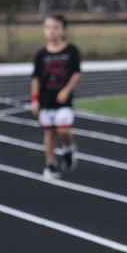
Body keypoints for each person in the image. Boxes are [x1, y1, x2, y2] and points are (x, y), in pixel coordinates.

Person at [30, 14, 82, 179]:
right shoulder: (41, 54)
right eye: (48, 27)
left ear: (63, 30)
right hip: (46, 99)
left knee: (63, 129)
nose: (51, 31)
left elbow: (76, 74)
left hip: (63, 101)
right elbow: (36, 78)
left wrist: (66, 91)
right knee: (49, 133)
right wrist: (35, 99)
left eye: (55, 28)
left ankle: (68, 147)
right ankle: (51, 163)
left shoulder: (71, 51)